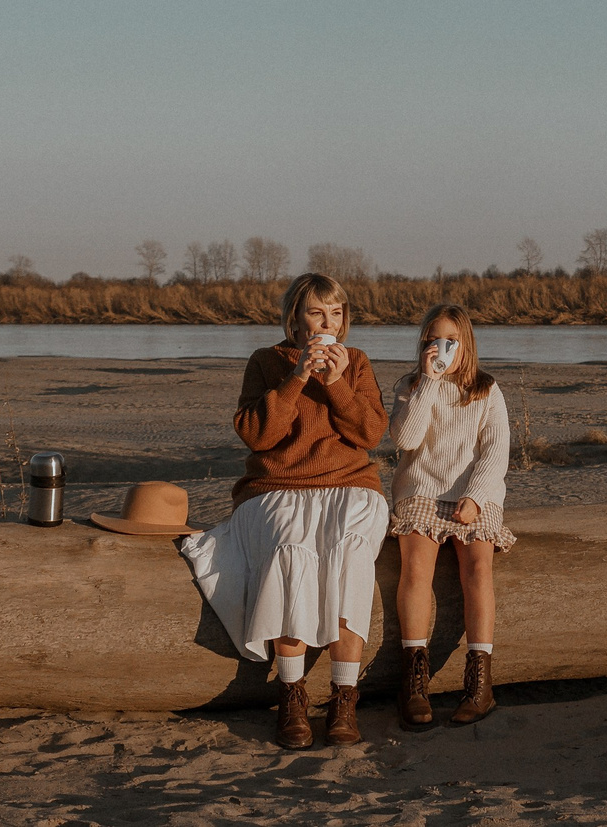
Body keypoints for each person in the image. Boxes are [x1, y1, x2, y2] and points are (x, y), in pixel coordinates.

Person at [179, 271, 390, 749]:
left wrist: (336, 383)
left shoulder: (355, 361)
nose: (328, 323)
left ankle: (344, 696)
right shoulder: (265, 361)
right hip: (276, 485)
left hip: (350, 484)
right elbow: (257, 435)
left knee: (351, 553)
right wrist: (297, 378)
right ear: (295, 319)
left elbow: (370, 433)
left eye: (336, 313)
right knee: (288, 550)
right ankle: (292, 692)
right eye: (317, 312)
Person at [387, 301, 515, 728]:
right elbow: (406, 440)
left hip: (475, 495)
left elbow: (495, 452)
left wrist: (476, 496)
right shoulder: (410, 385)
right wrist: (428, 382)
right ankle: (414, 680)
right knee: (416, 569)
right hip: (422, 490)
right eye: (433, 340)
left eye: (451, 341)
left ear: (466, 345)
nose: (441, 348)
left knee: (477, 569)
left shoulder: (486, 390)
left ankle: (480, 682)